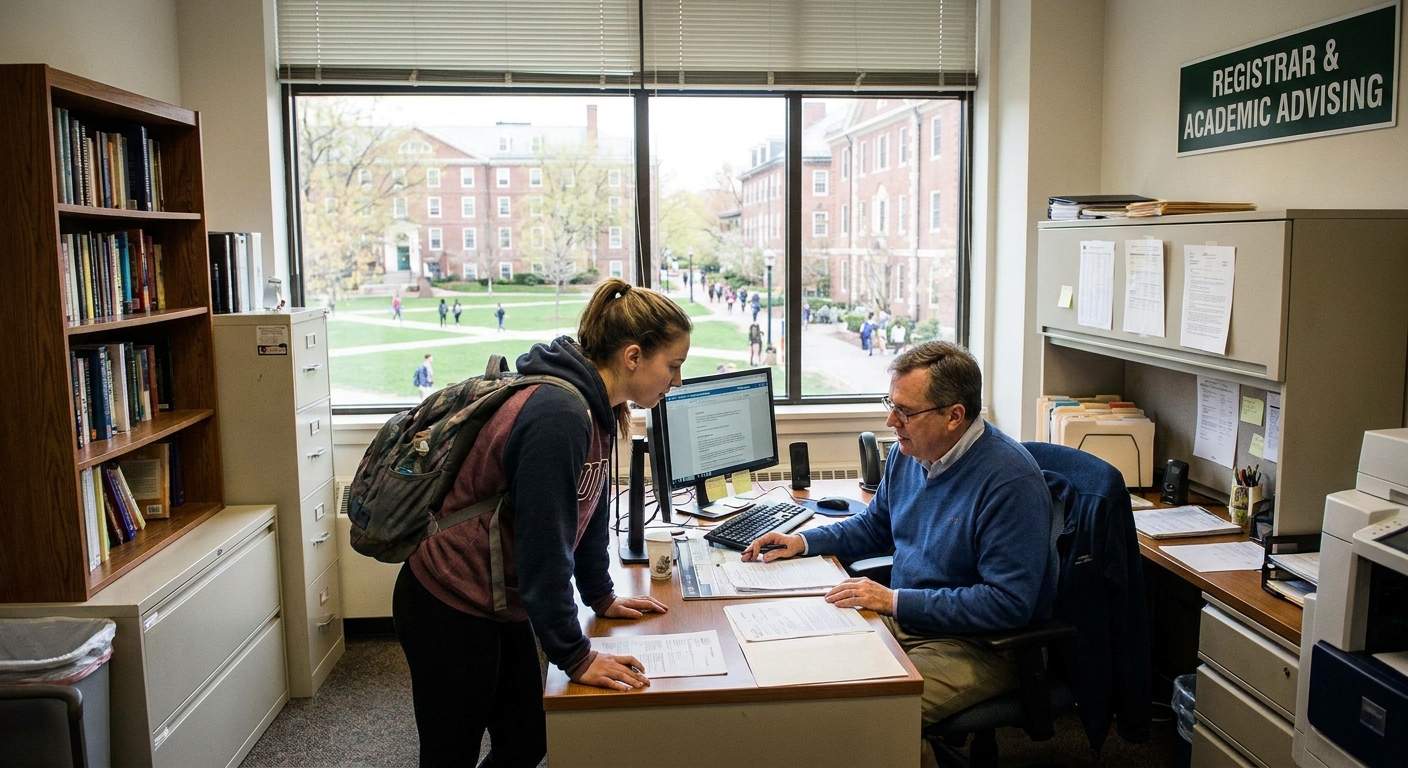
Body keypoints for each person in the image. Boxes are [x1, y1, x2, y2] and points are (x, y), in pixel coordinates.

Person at [394, 277, 694, 767]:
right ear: (634, 356)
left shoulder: (600, 405)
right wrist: (577, 657)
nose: (677, 381)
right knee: (450, 753)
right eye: (674, 366)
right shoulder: (560, 414)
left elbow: (589, 506)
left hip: (496, 598)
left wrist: (601, 594)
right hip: (448, 600)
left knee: (528, 738)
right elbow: (544, 550)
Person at [743, 342, 1056, 760]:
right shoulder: (909, 453)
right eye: (891, 405)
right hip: (910, 622)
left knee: (876, 714)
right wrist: (802, 542)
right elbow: (875, 527)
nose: (892, 421)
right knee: (812, 680)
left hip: (981, 645)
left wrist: (893, 600)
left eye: (905, 412)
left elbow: (1007, 604)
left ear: (953, 416)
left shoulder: (1009, 483)